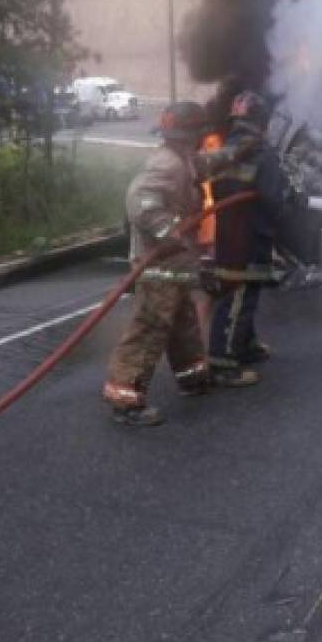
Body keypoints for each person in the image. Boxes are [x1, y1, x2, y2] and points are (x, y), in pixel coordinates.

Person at [101, 101, 258, 426]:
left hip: (175, 263)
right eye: (200, 132)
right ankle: (125, 399)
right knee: (151, 328)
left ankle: (193, 379)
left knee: (182, 324)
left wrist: (234, 153)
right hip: (158, 263)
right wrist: (167, 231)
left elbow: (202, 165)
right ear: (194, 133)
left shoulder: (181, 159)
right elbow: (140, 202)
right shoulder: (166, 165)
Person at [207, 88, 300, 384]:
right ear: (262, 119)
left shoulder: (226, 151)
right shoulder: (262, 153)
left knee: (246, 292)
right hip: (250, 235)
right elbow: (275, 197)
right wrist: (293, 203)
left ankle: (245, 344)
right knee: (238, 296)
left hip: (231, 233)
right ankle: (222, 363)